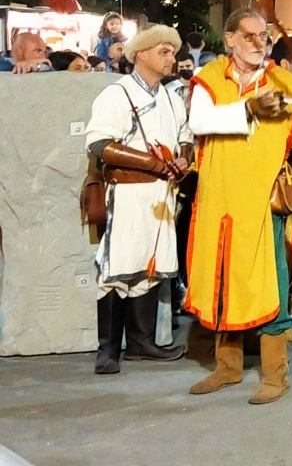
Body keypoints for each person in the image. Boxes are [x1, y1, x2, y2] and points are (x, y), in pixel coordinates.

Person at [186, 8, 292, 404]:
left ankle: (275, 374)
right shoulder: (208, 78)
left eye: (263, 36)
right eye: (248, 35)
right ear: (229, 38)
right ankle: (228, 367)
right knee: (223, 280)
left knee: (268, 283)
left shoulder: (286, 82)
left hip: (262, 202)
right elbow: (199, 122)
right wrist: (250, 109)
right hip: (218, 200)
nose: (258, 43)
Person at [85, 24, 193, 374]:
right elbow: (99, 144)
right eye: (163, 51)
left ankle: (142, 343)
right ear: (141, 54)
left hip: (161, 194)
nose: (171, 58)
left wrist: (183, 158)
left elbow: (185, 137)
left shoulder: (171, 97)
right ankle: (108, 349)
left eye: (172, 51)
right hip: (126, 192)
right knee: (117, 267)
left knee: (150, 268)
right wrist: (151, 162)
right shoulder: (117, 94)